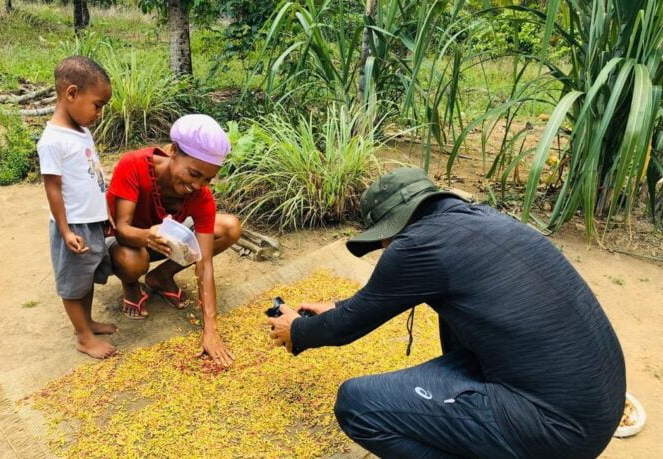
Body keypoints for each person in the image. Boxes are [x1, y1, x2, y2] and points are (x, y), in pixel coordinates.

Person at [267, 167, 626, 458]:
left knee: (358, 405)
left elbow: (342, 329)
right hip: (596, 405)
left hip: (557, 430)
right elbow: (376, 301)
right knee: (451, 312)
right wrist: (337, 306)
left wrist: (296, 331)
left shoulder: (416, 246)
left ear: (391, 228)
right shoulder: (482, 220)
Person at [107, 114, 242, 368]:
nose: (197, 185)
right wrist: (147, 236)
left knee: (229, 228)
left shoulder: (200, 196)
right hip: (127, 241)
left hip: (164, 239)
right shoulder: (133, 165)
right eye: (194, 174)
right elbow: (122, 229)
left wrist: (210, 330)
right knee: (134, 259)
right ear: (174, 151)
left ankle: (161, 277)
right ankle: (132, 283)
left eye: (206, 180)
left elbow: (205, 264)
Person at [37, 56, 116, 359]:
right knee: (72, 283)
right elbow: (53, 188)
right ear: (71, 93)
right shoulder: (52, 141)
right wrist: (65, 230)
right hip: (74, 225)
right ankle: (82, 336)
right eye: (97, 105)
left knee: (86, 276)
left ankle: (88, 322)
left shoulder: (81, 131)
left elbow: (92, 176)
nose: (99, 112)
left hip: (92, 221)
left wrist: (103, 213)